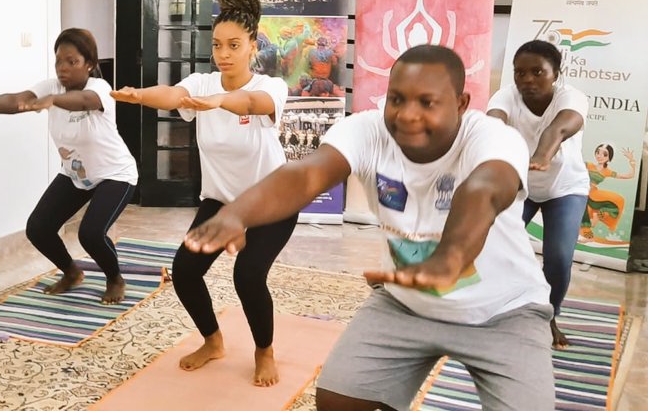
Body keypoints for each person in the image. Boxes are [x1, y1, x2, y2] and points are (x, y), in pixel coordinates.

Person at [185, 45, 554, 411]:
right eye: (397, 99)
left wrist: (451, 258)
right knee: (337, 399)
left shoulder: (494, 137)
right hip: (404, 304)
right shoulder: (367, 130)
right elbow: (306, 175)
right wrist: (238, 213)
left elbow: (483, 191)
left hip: (504, 313)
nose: (407, 115)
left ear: (461, 103)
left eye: (427, 103)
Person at [112, 0, 294, 387]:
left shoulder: (272, 86)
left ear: (252, 45)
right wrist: (139, 95)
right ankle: (213, 342)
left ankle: (265, 351)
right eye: (217, 45)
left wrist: (218, 102)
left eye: (233, 45)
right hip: (222, 202)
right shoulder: (202, 81)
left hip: (272, 200)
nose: (224, 54)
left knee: (248, 275)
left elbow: (251, 103)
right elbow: (174, 95)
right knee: (185, 270)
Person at [0, 28, 137, 304]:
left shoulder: (100, 89)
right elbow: (16, 100)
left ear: (90, 64)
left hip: (115, 174)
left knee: (91, 233)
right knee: (38, 228)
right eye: (59, 61)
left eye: (72, 62)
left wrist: (54, 100)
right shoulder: (51, 87)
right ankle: (72, 273)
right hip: (76, 174)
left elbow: (84, 101)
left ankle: (115, 278)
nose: (63, 68)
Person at [487, 39, 589, 348]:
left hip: (566, 188)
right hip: (522, 186)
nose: (527, 80)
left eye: (537, 72)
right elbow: (493, 124)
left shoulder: (571, 97)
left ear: (556, 73)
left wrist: (544, 156)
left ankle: (549, 316)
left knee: (558, 257)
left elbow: (557, 129)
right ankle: (498, 308)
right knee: (491, 245)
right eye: (520, 73)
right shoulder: (507, 96)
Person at [583, 142, 637, 241]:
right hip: (583, 191)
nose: (600, 156)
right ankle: (587, 235)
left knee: (596, 214)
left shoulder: (607, 171)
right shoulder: (588, 165)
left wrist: (632, 161)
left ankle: (589, 236)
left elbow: (629, 176)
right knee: (585, 213)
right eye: (598, 152)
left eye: (604, 154)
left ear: (609, 158)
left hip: (594, 195)